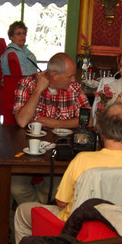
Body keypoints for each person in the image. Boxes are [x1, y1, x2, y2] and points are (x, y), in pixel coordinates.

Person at [13, 103, 122, 244]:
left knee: (21, 213)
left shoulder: (83, 160)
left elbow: (61, 201)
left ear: (101, 130)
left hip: (77, 233)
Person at [10, 52, 90, 204]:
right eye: (70, 76)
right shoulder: (27, 83)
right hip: (28, 152)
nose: (74, 80)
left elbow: (88, 120)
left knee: (57, 188)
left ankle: (33, 212)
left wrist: (56, 123)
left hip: (60, 154)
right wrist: (38, 91)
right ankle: (38, 211)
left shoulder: (73, 88)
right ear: (54, 76)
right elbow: (22, 121)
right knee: (17, 188)